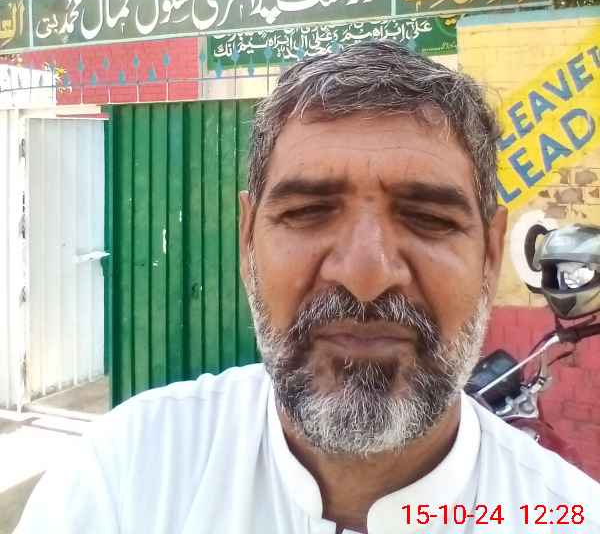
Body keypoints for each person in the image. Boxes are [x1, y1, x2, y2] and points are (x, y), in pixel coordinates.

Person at [17, 41, 600, 533]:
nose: (366, 276)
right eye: (308, 212)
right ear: (247, 240)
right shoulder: (125, 475)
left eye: (427, 218)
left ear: (491, 254)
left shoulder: (565, 514)